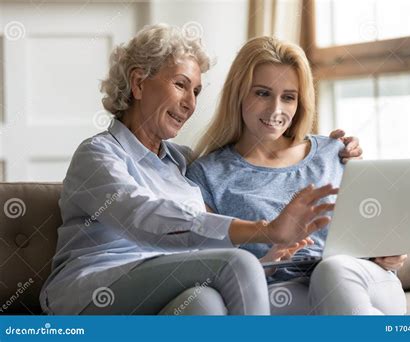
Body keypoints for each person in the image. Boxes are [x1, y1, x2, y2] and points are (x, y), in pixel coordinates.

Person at [39, 25, 360, 316]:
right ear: (138, 83)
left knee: (205, 303)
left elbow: (204, 249)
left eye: (196, 92)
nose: (190, 104)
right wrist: (266, 230)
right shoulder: (97, 154)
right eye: (180, 85)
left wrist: (267, 262)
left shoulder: (181, 162)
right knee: (238, 263)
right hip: (95, 288)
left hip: (165, 279)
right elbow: (143, 217)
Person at [187, 36, 407, 315]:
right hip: (281, 294)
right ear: (239, 93)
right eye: (262, 93)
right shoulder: (207, 175)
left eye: (288, 97)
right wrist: (267, 261)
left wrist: (388, 252)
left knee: (333, 270)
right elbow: (210, 271)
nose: (275, 110)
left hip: (364, 282)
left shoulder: (334, 152)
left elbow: (374, 230)